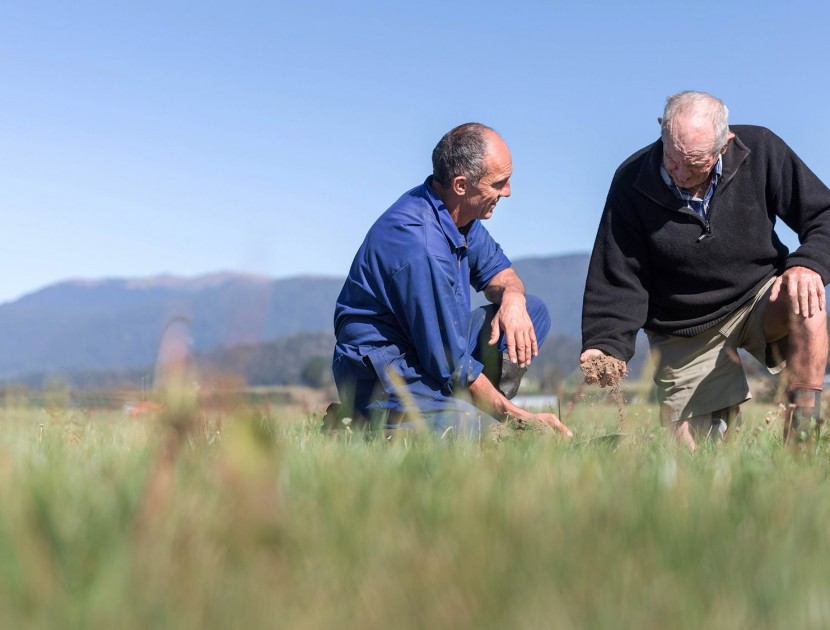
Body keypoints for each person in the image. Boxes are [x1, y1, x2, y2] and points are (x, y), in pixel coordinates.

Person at [581, 91, 830, 449]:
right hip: (684, 327)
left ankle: (802, 443)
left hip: (758, 297)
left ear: (724, 144)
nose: (680, 173)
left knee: (808, 300)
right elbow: (618, 272)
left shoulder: (761, 149)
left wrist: (809, 263)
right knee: (696, 456)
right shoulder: (631, 181)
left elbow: (823, 215)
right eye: (672, 158)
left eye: (694, 162)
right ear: (662, 130)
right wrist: (605, 344)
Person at [331, 123, 572, 438]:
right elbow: (450, 363)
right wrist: (519, 419)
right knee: (461, 428)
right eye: (499, 183)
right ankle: (364, 424)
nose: (508, 192)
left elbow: (500, 273)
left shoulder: (459, 216)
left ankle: (476, 420)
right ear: (461, 185)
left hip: (429, 353)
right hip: (385, 372)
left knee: (531, 311)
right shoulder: (421, 246)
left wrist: (513, 298)